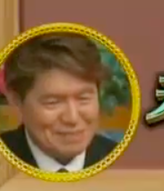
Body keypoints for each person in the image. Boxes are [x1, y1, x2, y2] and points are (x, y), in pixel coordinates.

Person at [0, 32, 119, 174]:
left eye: (84, 99)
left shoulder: (121, 162)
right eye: (53, 102)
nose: (72, 118)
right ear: (16, 100)